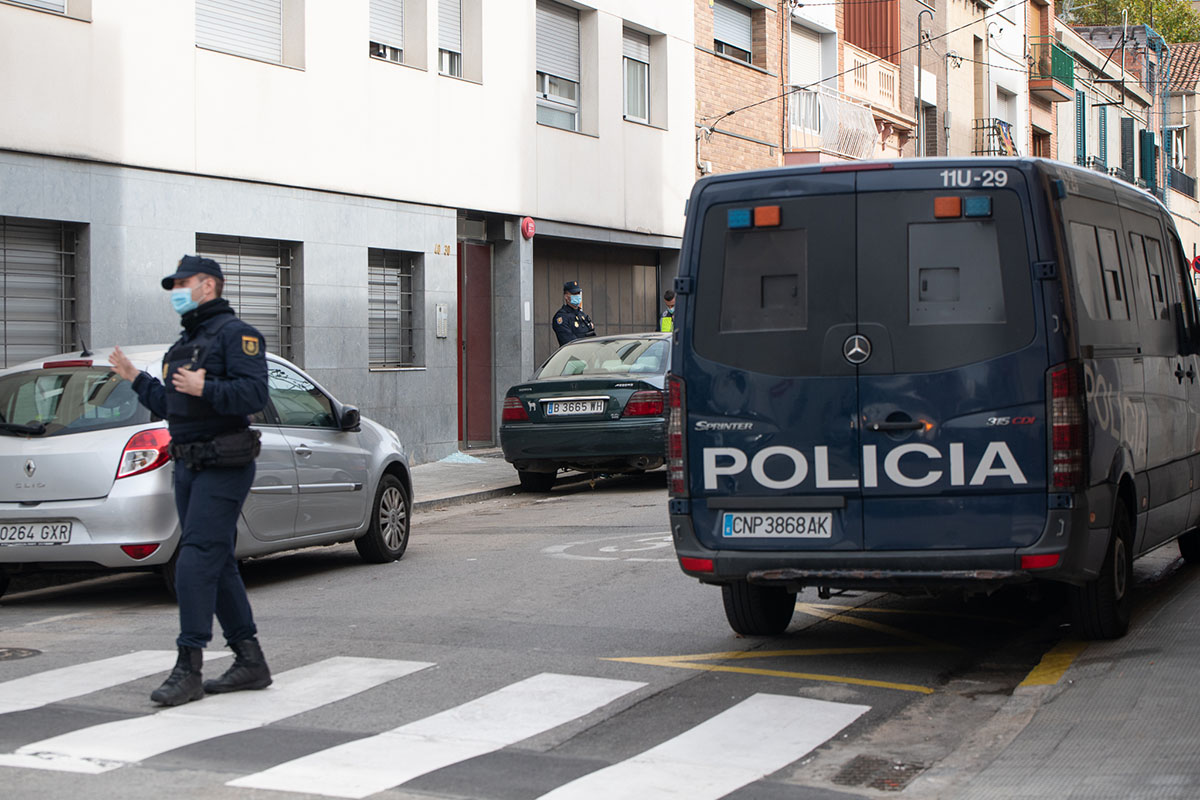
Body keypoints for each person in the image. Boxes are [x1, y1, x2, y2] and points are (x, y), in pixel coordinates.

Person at [108, 255, 271, 707]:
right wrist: (135, 378)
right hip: (187, 464)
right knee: (216, 562)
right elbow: (170, 405)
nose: (177, 289)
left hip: (224, 459)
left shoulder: (237, 335)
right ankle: (250, 659)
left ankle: (189, 666)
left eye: (184, 282)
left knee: (195, 558)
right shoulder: (185, 344)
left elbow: (256, 394)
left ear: (209, 286)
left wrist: (208, 389)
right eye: (174, 283)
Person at [552, 280, 596, 346]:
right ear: (566, 297)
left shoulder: (583, 316)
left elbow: (592, 336)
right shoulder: (562, 317)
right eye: (574, 294)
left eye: (578, 293)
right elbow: (569, 342)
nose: (577, 296)